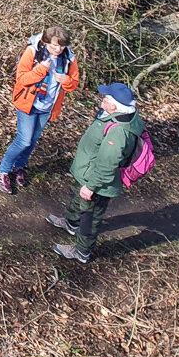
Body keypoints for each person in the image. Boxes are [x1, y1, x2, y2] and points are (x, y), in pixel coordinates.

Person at [46, 82, 145, 262]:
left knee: (90, 218)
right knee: (78, 197)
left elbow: (107, 164)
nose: (102, 101)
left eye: (106, 99)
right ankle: (71, 223)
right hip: (88, 173)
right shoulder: (116, 115)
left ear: (115, 106)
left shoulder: (119, 132)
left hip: (98, 183)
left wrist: (91, 186)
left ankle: (82, 251)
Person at [0, 25, 79, 194]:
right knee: (24, 140)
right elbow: (22, 78)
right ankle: (2, 171)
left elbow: (73, 84)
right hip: (28, 104)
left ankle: (18, 167)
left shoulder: (69, 58)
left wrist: (66, 80)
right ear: (46, 41)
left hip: (47, 107)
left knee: (32, 141)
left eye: (61, 46)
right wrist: (41, 70)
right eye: (54, 45)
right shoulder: (33, 52)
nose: (58, 49)